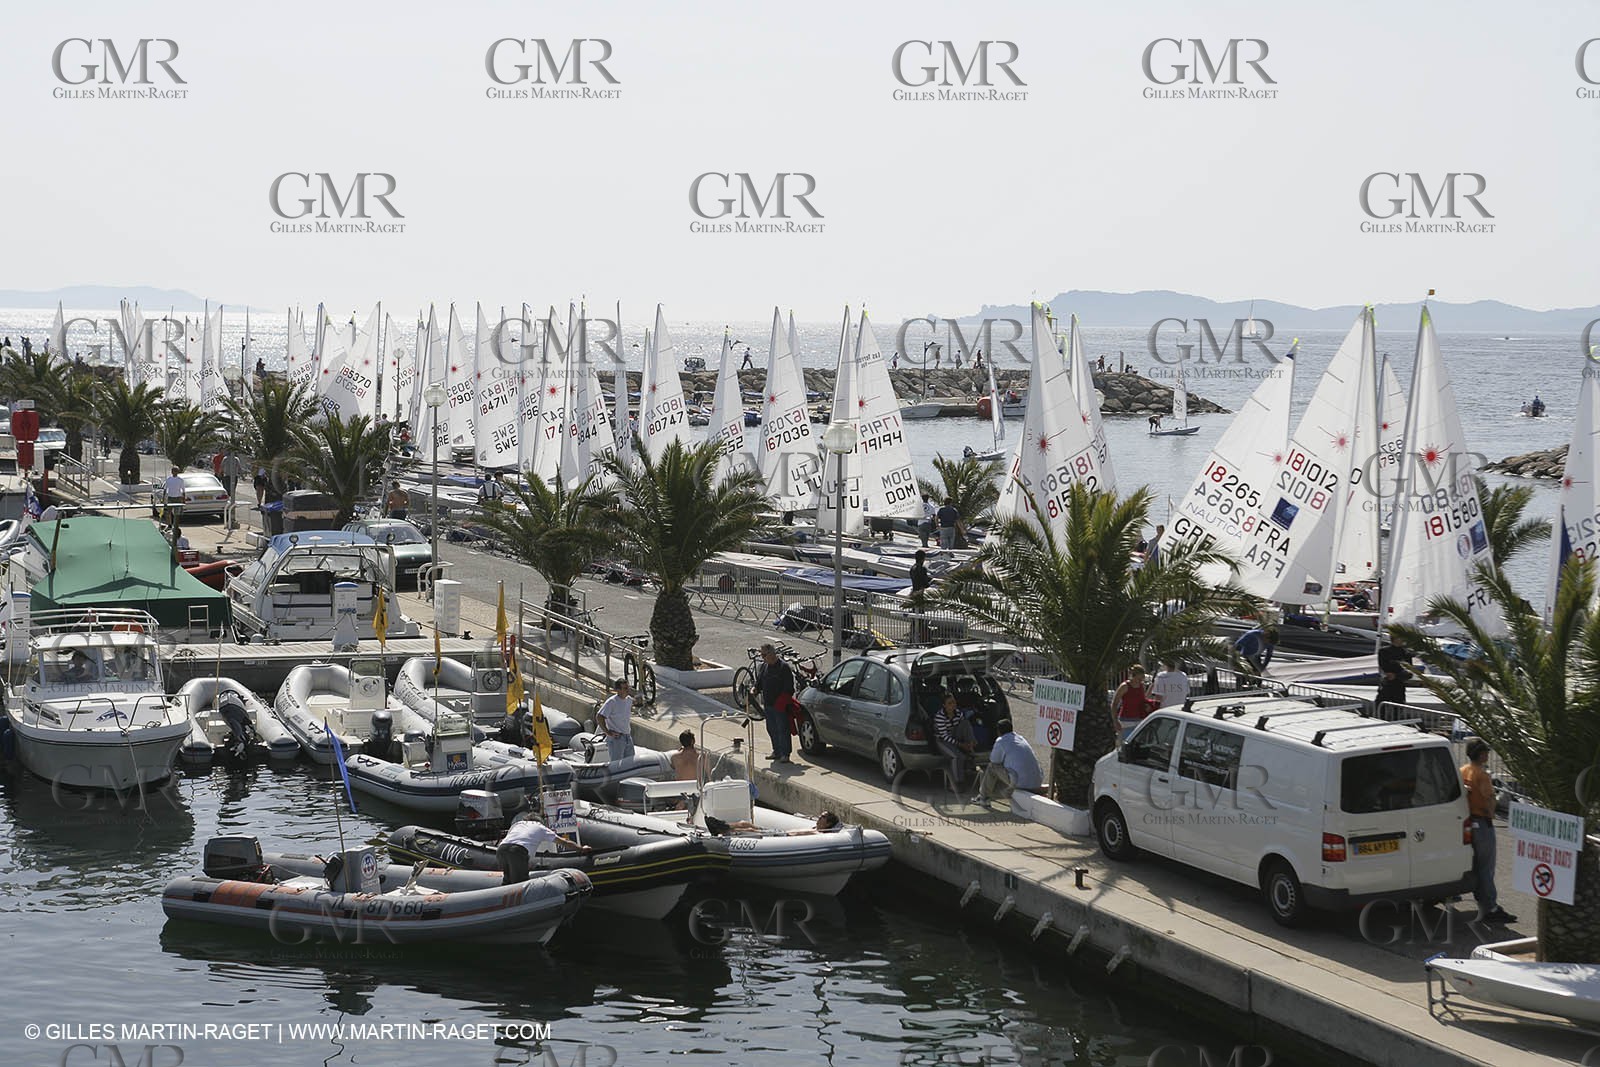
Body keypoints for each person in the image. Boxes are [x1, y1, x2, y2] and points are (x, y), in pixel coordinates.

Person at [1461, 740, 1517, 925]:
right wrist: (1490, 813)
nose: (1488, 754)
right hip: (1482, 823)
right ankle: (1490, 907)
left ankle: (1482, 901)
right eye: (1486, 751)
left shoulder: (1463, 771)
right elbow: (1489, 798)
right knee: (1486, 867)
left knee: (1476, 865)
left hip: (1469, 821)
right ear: (1481, 754)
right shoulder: (1482, 775)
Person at [496, 816, 591, 885]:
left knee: (507, 881)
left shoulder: (518, 824)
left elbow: (508, 839)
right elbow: (564, 842)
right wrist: (581, 848)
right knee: (521, 884)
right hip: (517, 851)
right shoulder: (540, 827)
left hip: (501, 850)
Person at [973, 719, 1042, 805]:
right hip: (1037, 782)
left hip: (1020, 783)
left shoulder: (1001, 741)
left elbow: (994, 760)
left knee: (992, 767)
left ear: (998, 731)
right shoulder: (1021, 738)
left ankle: (983, 798)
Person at [755, 643, 796, 764]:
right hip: (768, 704)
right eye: (761, 655)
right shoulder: (764, 667)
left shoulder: (783, 667)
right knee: (771, 728)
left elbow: (789, 688)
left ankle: (785, 753)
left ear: (772, 653)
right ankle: (776, 751)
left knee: (782, 729)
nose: (762, 658)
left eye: (764, 655)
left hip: (780, 705)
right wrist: (755, 689)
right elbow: (759, 682)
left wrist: (782, 701)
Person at [934, 693, 977, 785]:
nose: (953, 705)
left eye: (954, 702)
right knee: (957, 757)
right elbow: (944, 736)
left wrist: (968, 742)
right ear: (944, 705)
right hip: (943, 740)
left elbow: (963, 727)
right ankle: (957, 782)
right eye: (949, 703)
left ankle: (970, 747)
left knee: (965, 723)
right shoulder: (940, 716)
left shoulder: (958, 713)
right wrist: (960, 744)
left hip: (954, 736)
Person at [1112, 665, 1157, 740]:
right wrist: (1115, 721)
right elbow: (1114, 703)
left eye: (1142, 678)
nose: (1140, 681)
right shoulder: (1124, 686)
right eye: (1139, 678)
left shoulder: (1141, 686)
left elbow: (1142, 700)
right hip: (1126, 720)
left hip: (1139, 719)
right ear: (1133, 675)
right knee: (1125, 742)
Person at [597, 678, 635, 763]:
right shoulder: (612, 702)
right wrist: (608, 732)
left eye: (628, 687)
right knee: (616, 764)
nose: (628, 690)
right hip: (617, 738)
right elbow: (599, 716)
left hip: (628, 736)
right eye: (625, 688)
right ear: (618, 690)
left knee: (630, 764)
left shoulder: (629, 700)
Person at [1376, 633, 1413, 709]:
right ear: (1394, 639)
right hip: (1387, 683)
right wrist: (1388, 674)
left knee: (1398, 706)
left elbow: (1409, 670)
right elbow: (1383, 666)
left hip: (1399, 684)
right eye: (1400, 638)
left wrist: (1397, 675)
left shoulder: (1406, 653)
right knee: (1381, 704)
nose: (1402, 640)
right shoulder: (1384, 651)